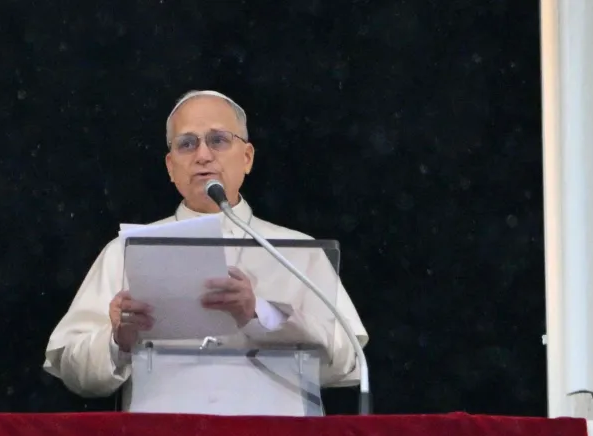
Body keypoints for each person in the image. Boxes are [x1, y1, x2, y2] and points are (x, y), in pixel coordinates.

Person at [43, 90, 368, 406]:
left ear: (247, 157)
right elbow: (73, 370)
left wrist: (260, 313)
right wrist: (118, 342)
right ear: (171, 167)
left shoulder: (299, 252)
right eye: (187, 144)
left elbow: (345, 358)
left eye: (218, 140)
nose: (202, 155)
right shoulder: (126, 250)